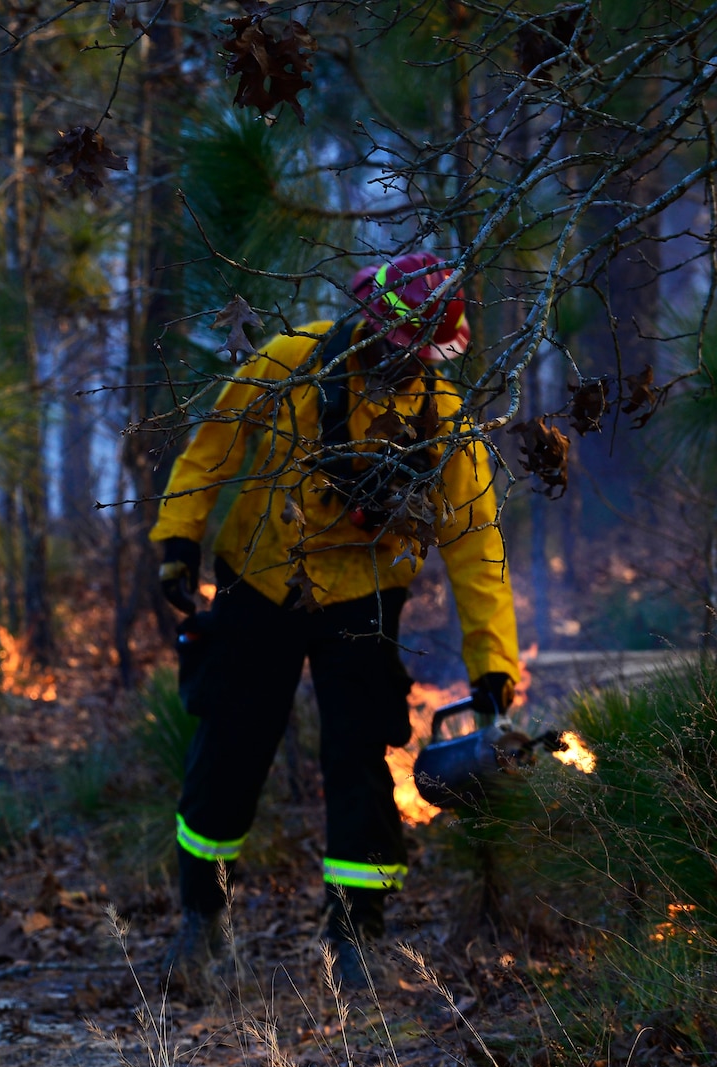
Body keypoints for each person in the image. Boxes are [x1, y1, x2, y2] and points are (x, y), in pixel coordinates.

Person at [149, 253, 521, 989]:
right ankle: (203, 920)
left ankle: (356, 938)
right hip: (263, 584)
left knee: (360, 764)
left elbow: (478, 547)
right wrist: (178, 540)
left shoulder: (443, 422)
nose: (396, 360)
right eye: (389, 343)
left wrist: (493, 663)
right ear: (367, 321)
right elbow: (213, 445)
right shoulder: (289, 362)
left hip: (364, 601)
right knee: (228, 750)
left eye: (413, 353)